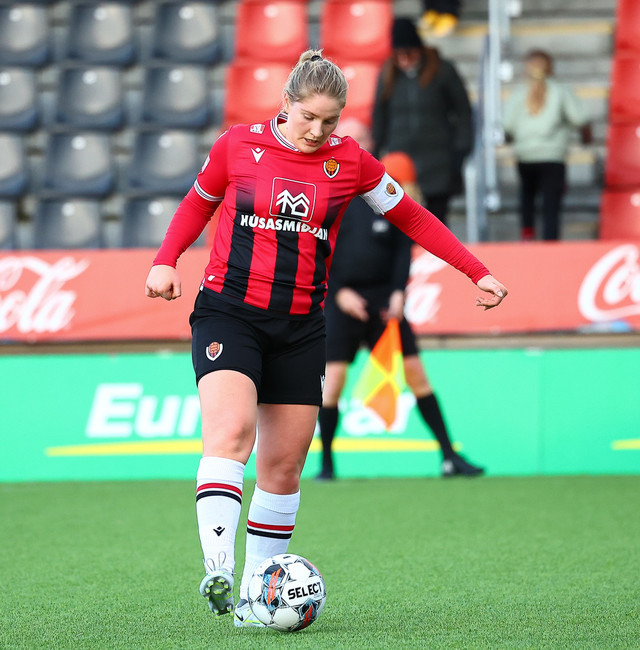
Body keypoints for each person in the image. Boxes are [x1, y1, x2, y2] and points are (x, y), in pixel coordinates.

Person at [144, 50, 507, 629]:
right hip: (229, 314)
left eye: (330, 120)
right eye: (308, 116)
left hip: (301, 327)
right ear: (286, 103)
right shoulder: (237, 145)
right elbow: (197, 204)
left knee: (285, 467)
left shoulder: (352, 161)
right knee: (231, 434)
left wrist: (475, 271)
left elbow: (412, 218)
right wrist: (166, 260)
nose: (317, 130)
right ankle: (218, 567)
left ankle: (252, 600)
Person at [317, 119, 484, 481]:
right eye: (347, 138)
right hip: (342, 300)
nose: (355, 144)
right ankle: (326, 465)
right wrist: (338, 290)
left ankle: (449, 457)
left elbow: (401, 248)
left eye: (361, 138)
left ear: (371, 142)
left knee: (416, 375)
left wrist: (398, 292)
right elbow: (317, 249)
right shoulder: (327, 192)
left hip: (384, 301)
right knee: (333, 382)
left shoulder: (384, 188)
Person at [372, 17, 473, 228]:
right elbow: (379, 116)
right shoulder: (387, 74)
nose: (405, 60)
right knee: (403, 226)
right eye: (399, 55)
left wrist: (461, 151)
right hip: (401, 163)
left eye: (409, 53)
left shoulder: (442, 70)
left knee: (437, 225)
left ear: (419, 49)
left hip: (438, 162)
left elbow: (463, 112)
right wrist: (375, 151)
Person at [503, 49, 592, 241]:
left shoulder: (519, 93)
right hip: (553, 156)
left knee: (527, 195)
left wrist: (516, 140)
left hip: (525, 155)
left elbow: (507, 126)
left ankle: (527, 233)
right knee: (551, 203)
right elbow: (579, 118)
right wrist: (587, 139)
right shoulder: (561, 91)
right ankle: (550, 242)